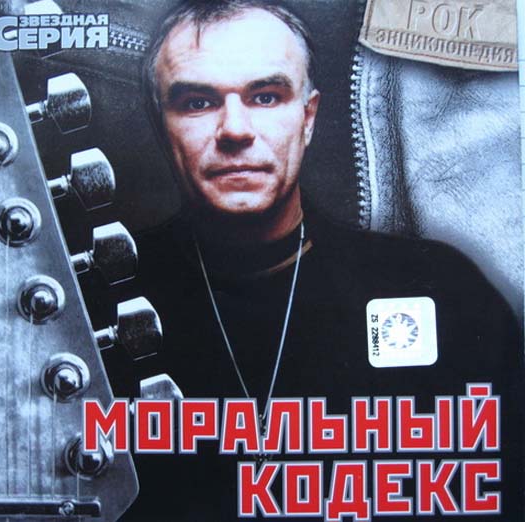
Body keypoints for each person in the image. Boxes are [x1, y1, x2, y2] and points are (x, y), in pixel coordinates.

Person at [91, 1, 523, 519]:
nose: (235, 130)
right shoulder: (96, 303)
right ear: (161, 125)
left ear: (308, 117)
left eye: (266, 96)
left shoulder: (443, 290)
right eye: (198, 103)